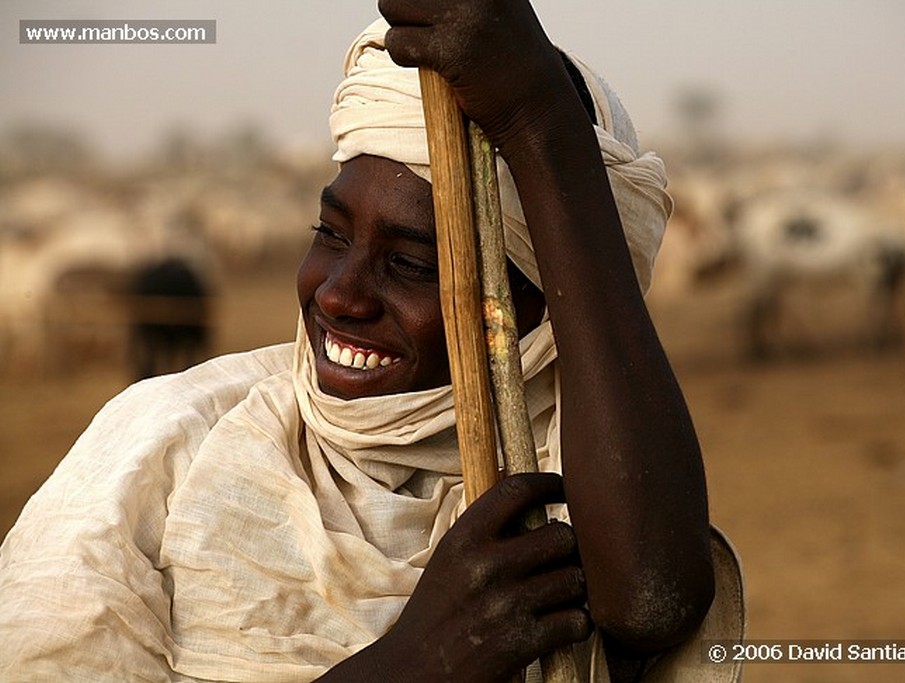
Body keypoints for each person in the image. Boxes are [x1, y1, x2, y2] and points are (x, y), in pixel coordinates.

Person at [0, 2, 743, 681]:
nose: (338, 294)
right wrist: (411, 664)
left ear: (540, 314)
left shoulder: (581, 484)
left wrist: (536, 120)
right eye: (329, 233)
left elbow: (651, 601)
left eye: (414, 265)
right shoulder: (163, 445)